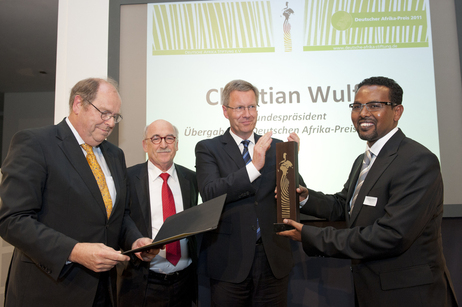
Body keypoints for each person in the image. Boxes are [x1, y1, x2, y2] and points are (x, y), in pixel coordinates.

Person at [279, 76, 459, 307]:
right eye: (356, 106)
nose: (363, 113)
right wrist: (305, 198)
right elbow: (345, 205)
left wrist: (310, 235)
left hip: (408, 294)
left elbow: (392, 236)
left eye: (375, 105)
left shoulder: (417, 161)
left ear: (397, 111)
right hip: (372, 290)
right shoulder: (363, 160)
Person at [0, 78, 158, 307]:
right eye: (104, 113)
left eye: (115, 116)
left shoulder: (115, 154)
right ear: (78, 104)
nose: (111, 123)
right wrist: (73, 251)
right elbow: (12, 220)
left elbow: (118, 216)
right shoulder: (35, 143)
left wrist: (135, 241)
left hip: (104, 291)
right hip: (48, 290)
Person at [195, 79, 304, 307]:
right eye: (239, 108)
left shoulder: (276, 146)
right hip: (229, 261)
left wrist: (293, 160)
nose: (247, 114)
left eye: (252, 106)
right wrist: (253, 167)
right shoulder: (208, 148)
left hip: (273, 258)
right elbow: (210, 192)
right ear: (225, 111)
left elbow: (292, 194)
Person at [118, 119, 199, 307]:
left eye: (169, 138)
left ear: (177, 144)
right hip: (144, 282)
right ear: (145, 145)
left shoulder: (191, 178)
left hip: (185, 283)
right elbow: (121, 221)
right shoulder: (128, 178)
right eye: (156, 138)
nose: (163, 144)